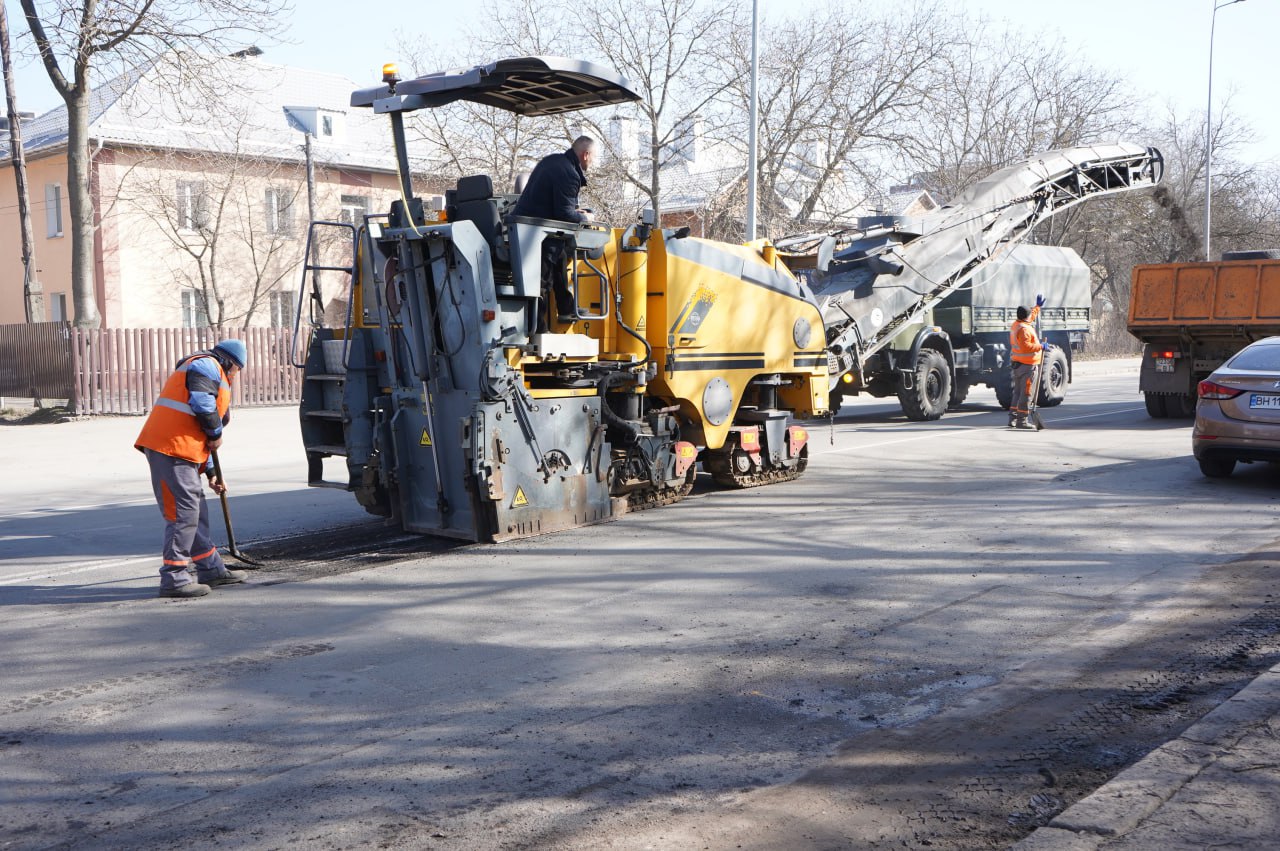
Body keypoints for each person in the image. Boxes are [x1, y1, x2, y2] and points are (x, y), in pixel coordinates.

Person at [135, 339, 249, 598]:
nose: (235, 376)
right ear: (230, 362)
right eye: (237, 370)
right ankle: (174, 580)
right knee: (183, 514)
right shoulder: (207, 366)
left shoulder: (207, 370)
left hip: (180, 449)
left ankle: (211, 569)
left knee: (196, 512)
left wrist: (211, 472)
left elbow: (201, 433)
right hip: (170, 449)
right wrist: (216, 431)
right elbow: (202, 405)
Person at [512, 136, 596, 330]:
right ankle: (538, 329)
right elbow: (564, 213)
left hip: (530, 230)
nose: (593, 162)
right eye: (593, 158)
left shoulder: (553, 161)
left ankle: (566, 307)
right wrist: (585, 218)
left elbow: (557, 204)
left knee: (560, 257)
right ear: (586, 155)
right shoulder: (570, 174)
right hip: (536, 235)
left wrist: (575, 212)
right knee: (542, 282)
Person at [1009, 295, 1052, 430]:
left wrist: (1037, 307)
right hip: (1027, 367)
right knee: (1026, 394)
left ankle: (1013, 419)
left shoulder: (1017, 324)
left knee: (1017, 393)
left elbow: (1030, 317)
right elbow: (1026, 347)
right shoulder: (1024, 330)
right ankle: (1022, 421)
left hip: (1018, 364)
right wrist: (1041, 346)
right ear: (1026, 317)